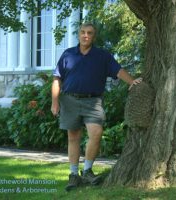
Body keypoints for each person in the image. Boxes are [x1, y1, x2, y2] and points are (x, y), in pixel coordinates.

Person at [51, 22, 142, 191]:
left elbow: (118, 70)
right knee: (73, 137)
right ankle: (73, 175)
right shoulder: (68, 54)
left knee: (96, 133)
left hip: (93, 101)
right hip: (69, 100)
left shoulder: (102, 56)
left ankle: (87, 171)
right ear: (78, 34)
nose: (86, 35)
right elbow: (57, 79)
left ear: (94, 36)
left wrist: (132, 81)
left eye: (90, 33)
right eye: (83, 32)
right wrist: (55, 102)